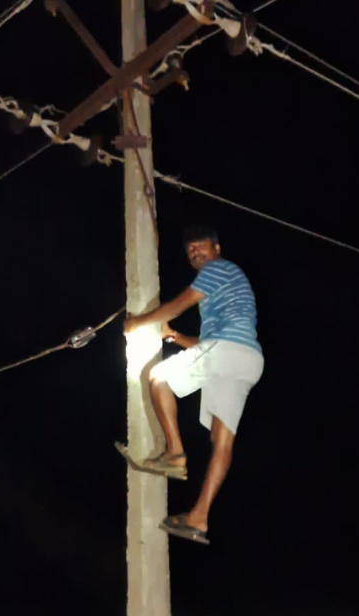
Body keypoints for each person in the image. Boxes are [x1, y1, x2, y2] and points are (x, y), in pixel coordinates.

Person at [122, 224, 264, 545]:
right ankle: (199, 517)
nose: (194, 252)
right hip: (246, 358)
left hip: (227, 351)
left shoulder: (218, 269)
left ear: (216, 248)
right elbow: (207, 343)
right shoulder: (228, 284)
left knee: (157, 376)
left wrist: (137, 323)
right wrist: (172, 336)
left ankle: (174, 453)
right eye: (189, 250)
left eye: (200, 245)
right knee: (221, 439)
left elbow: (180, 303)